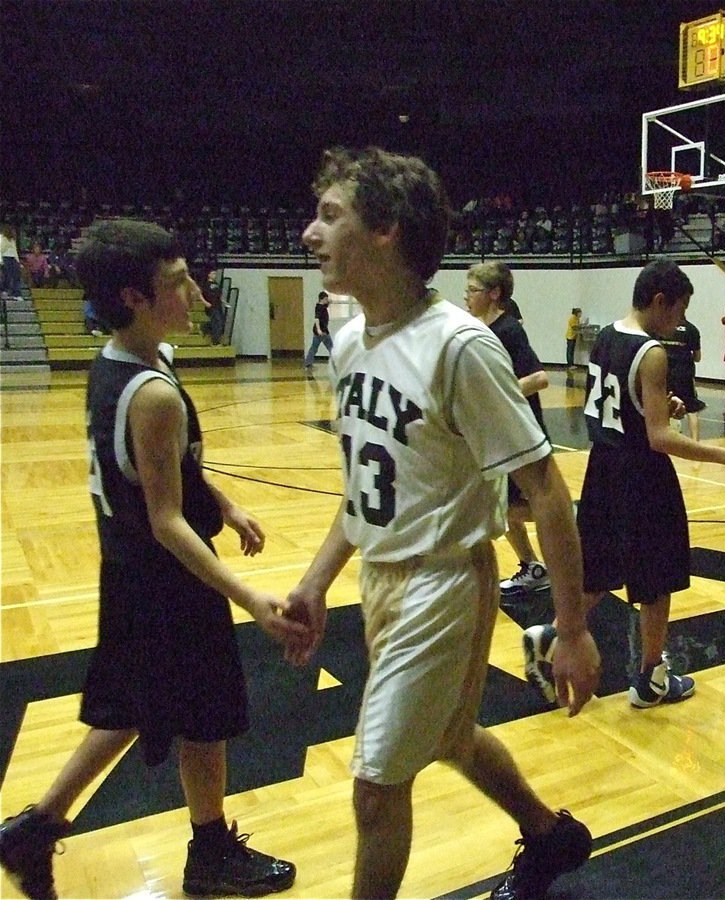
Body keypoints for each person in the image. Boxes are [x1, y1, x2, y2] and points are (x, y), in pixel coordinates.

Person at [287, 147, 600, 900]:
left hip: (443, 585)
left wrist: (572, 628)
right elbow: (365, 491)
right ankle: (551, 834)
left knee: (375, 784)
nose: (309, 232)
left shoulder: (460, 347)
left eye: (330, 216)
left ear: (387, 228)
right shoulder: (351, 340)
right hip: (382, 579)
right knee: (451, 741)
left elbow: (547, 490)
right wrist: (315, 580)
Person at [0, 219, 305, 900]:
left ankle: (37, 830)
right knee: (205, 716)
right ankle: (207, 851)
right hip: (167, 582)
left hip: (131, 573)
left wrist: (223, 504)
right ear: (135, 296)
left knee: (137, 710)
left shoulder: (120, 362)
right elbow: (166, 519)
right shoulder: (156, 393)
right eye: (177, 283)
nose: (195, 294)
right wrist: (251, 598)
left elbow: (159, 475)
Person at [521, 259, 725, 711]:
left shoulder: (605, 336)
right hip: (643, 477)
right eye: (679, 311)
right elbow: (659, 439)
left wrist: (658, 404)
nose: (680, 322)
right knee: (658, 579)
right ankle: (651, 679)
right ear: (660, 301)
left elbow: (624, 403)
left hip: (603, 470)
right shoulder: (653, 352)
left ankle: (549, 635)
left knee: (600, 568)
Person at [464, 260, 553, 598]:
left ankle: (576, 533)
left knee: (513, 509)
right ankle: (532, 566)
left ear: (494, 293)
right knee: (503, 508)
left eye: (472, 290)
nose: (466, 296)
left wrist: (499, 394)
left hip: (521, 434)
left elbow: (539, 378)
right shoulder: (477, 329)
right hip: (496, 433)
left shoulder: (509, 330)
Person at [660, 311, 705, 441]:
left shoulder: (661, 328)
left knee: (663, 406)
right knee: (692, 409)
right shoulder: (692, 329)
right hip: (684, 374)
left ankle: (665, 439)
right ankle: (695, 442)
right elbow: (697, 357)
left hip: (664, 373)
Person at [303, 290, 333, 375]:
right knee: (330, 347)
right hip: (321, 331)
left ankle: (308, 363)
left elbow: (329, 303)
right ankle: (335, 364)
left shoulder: (323, 306)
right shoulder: (319, 308)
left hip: (322, 331)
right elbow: (316, 319)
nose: (327, 300)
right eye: (326, 299)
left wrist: (329, 301)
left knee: (315, 347)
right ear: (322, 299)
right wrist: (319, 329)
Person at [0, 224, 21, 297]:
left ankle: (16, 293)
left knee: (16, 276)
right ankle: (4, 290)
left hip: (13, 259)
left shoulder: (12, 240)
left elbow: (14, 251)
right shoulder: (1, 238)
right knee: (7, 276)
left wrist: (18, 261)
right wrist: (1, 261)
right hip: (5, 258)